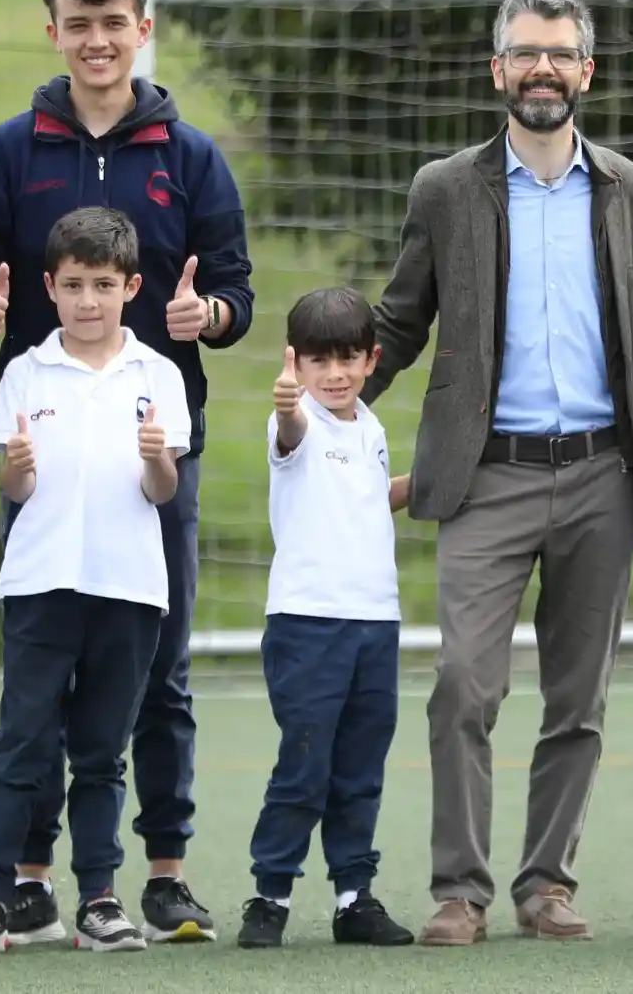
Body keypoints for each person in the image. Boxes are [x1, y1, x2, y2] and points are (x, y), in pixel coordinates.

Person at [362, 0, 633, 945]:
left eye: (560, 54)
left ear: (587, 71)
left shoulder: (630, 189)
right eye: (524, 53)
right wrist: (336, 399)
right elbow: (400, 319)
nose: (542, 69)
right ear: (497, 68)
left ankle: (547, 882)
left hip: (602, 472)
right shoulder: (444, 187)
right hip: (486, 474)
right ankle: (459, 890)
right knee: (464, 682)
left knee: (577, 699)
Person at [0, 0, 253, 943]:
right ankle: (27, 879)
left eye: (114, 21)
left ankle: (160, 873)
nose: (98, 40)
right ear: (55, 33)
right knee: (41, 678)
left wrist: (214, 314)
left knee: (158, 670)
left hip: (156, 454)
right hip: (43, 452)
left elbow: (237, 291)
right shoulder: (8, 150)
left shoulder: (190, 156)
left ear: (141, 28)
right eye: (79, 23)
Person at [0, 207, 194, 958]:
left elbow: (161, 490)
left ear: (131, 287)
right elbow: (16, 487)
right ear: (48, 287)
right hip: (41, 584)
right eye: (74, 284)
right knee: (20, 744)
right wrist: (13, 472)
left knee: (101, 752)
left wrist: (156, 458)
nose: (88, 300)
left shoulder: (159, 375)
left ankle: (101, 899)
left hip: (128, 590)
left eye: (104, 285)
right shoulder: (24, 371)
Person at [235, 288, 417, 951]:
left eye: (348, 358)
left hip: (376, 622)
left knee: (360, 766)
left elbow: (370, 499)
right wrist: (288, 406)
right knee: (304, 764)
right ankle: (270, 894)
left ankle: (352, 897)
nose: (335, 373)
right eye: (320, 360)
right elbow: (292, 437)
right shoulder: (296, 418)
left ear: (371, 359)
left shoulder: (370, 426)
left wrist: (431, 479)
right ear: (296, 363)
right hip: (308, 622)